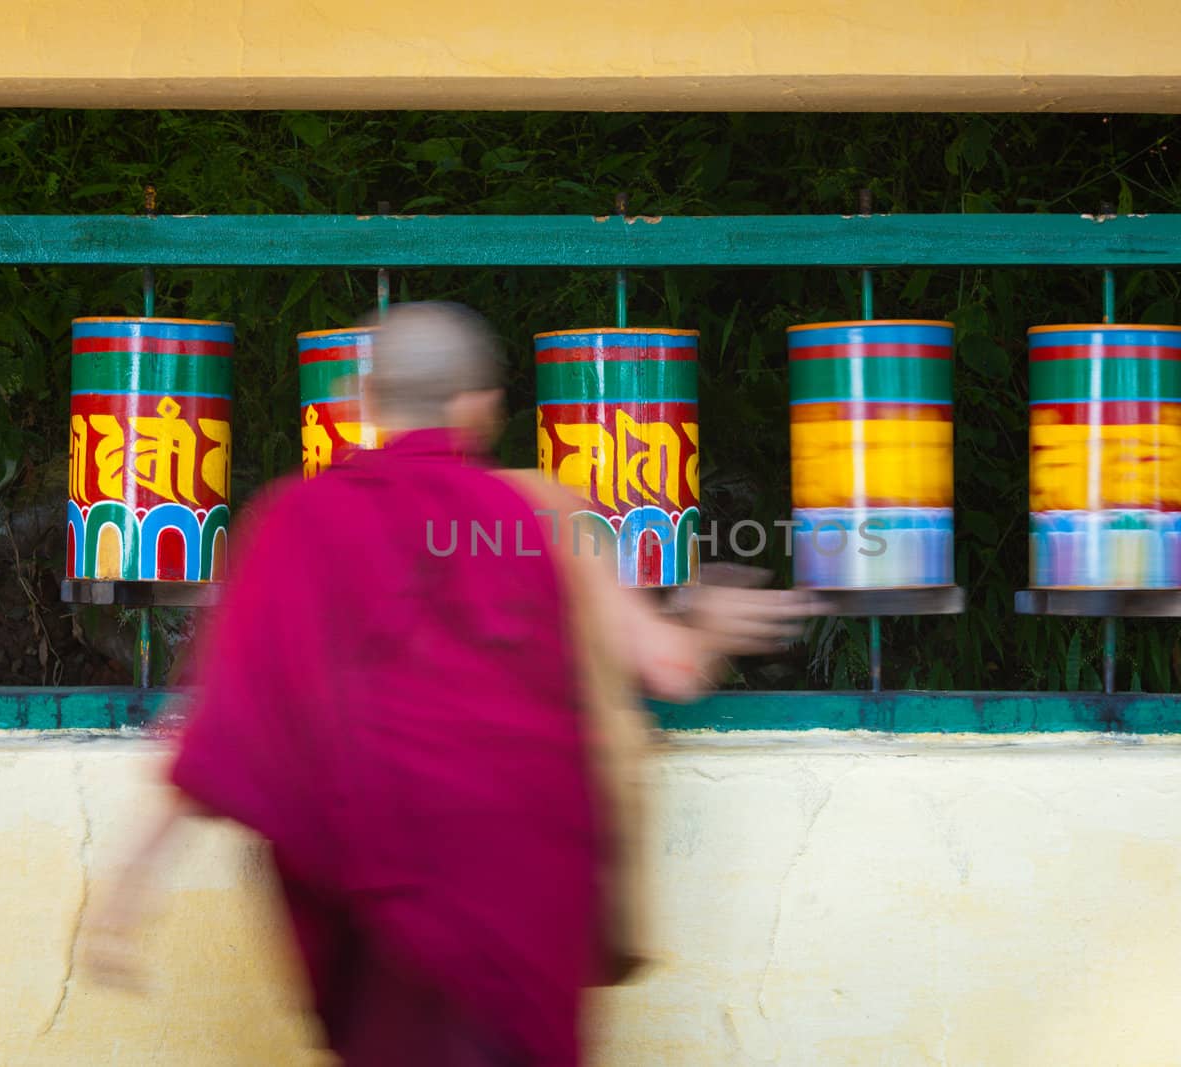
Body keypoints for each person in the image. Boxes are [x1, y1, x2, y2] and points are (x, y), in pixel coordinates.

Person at [84, 302, 818, 1066]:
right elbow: (670, 665)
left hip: (375, 914)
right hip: (520, 893)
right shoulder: (546, 514)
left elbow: (224, 730)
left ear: (358, 405)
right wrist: (714, 619)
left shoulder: (292, 520)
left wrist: (128, 886)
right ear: (480, 407)